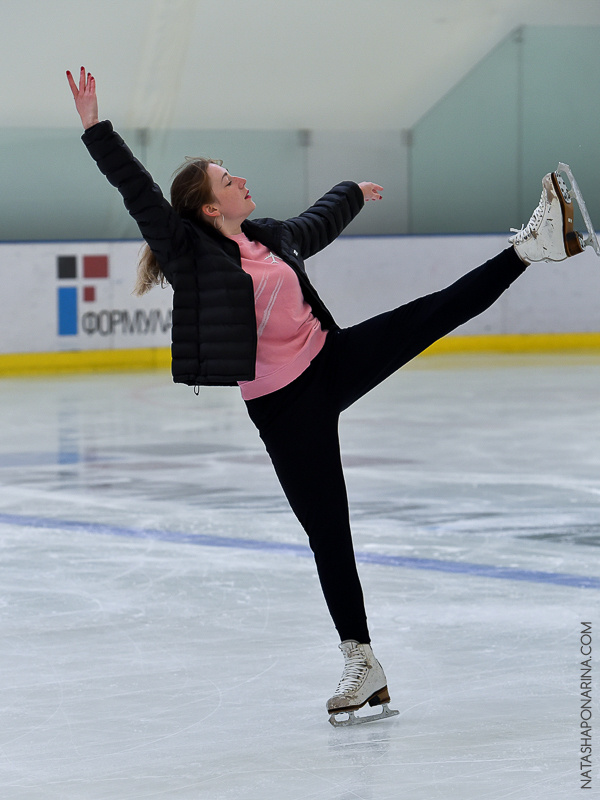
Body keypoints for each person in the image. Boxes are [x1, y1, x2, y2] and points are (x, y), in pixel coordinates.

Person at [67, 66, 592, 726]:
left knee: (432, 313)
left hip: (331, 361)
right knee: (330, 532)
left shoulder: (267, 238)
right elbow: (138, 192)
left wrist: (352, 191)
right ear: (208, 208)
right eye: (228, 181)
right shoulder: (189, 255)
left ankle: (538, 244)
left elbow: (316, 222)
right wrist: (95, 128)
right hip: (285, 410)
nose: (241, 183)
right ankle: (361, 660)